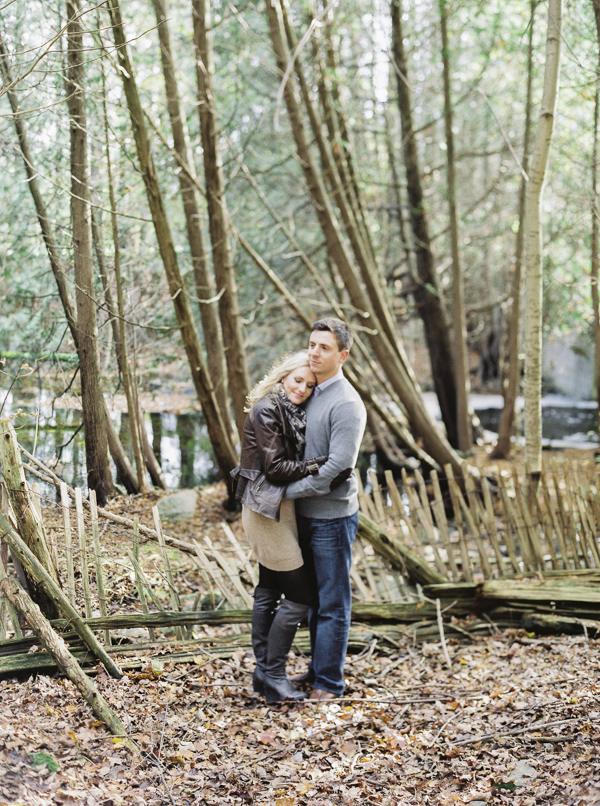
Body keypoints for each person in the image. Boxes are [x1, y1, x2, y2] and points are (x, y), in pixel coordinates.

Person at [232, 352, 327, 704]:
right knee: (302, 596)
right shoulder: (267, 409)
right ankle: (273, 674)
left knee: (269, 590)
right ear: (282, 376)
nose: (302, 388)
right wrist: (318, 464)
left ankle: (262, 674)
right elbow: (275, 469)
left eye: (310, 385)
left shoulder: (288, 409)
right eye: (297, 380)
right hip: (263, 510)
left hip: (278, 507)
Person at [284, 318, 367, 701]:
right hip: (304, 514)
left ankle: (330, 684)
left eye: (325, 347)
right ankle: (318, 670)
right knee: (315, 601)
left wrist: (288, 492)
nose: (314, 352)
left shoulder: (347, 403)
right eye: (312, 344)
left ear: (343, 355)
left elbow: (338, 469)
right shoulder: (311, 390)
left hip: (332, 518)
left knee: (333, 602)